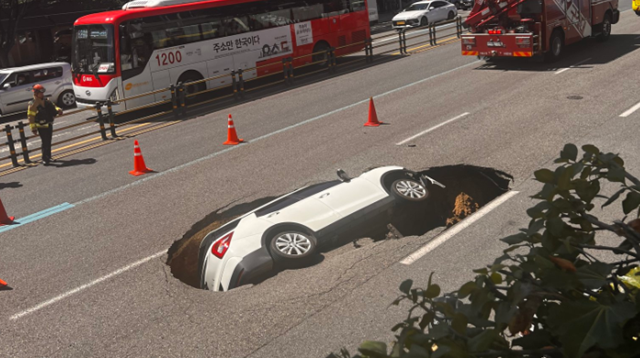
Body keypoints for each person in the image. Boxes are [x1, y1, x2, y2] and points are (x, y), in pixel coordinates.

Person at [27, 84, 63, 165]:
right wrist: (33, 128)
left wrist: (58, 110)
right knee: (45, 142)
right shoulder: (32, 104)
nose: (42, 94)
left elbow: (53, 107)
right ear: (36, 93)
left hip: (49, 123)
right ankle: (44, 158)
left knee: (49, 141)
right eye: (40, 93)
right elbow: (30, 117)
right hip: (41, 126)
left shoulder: (46, 100)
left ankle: (49, 157)